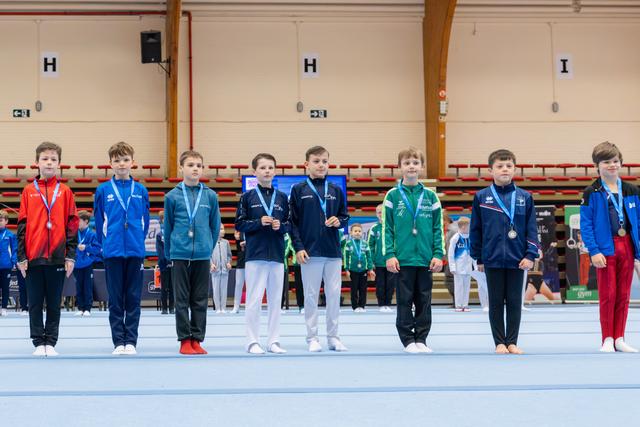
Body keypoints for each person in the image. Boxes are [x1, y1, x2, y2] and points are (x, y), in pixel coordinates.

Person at [470, 149, 538, 355]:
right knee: (496, 302)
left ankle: (512, 342)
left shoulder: (525, 197)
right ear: (491, 170)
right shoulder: (482, 197)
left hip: (518, 259)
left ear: (515, 169)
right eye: (500, 166)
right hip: (492, 258)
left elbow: (531, 228)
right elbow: (476, 228)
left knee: (515, 302)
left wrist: (530, 255)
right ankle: (499, 342)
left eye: (509, 166)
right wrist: (479, 257)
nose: (505, 169)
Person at [17, 141, 78, 356]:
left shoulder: (66, 192)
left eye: (53, 159)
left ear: (59, 163)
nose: (49, 162)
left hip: (57, 256)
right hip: (33, 256)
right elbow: (22, 225)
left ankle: (50, 341)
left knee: (53, 302)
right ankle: (37, 341)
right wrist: (21, 256)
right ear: (37, 163)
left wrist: (70, 256)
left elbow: (72, 225)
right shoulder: (27, 191)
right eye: (45, 159)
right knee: (34, 303)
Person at [580, 141, 640, 353]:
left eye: (615, 161)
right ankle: (607, 338)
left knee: (623, 295)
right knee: (608, 294)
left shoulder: (633, 190)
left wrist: (639, 255)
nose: (612, 165)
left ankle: (619, 338)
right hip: (605, 247)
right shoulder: (592, 191)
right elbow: (586, 224)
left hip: (628, 246)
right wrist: (594, 250)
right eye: (606, 162)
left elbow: (639, 223)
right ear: (597, 165)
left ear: (621, 163)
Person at [383, 147, 444, 354]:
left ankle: (422, 339)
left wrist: (438, 254)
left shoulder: (431, 196)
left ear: (422, 167)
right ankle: (408, 339)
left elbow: (438, 228)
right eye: (407, 162)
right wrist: (389, 255)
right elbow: (387, 229)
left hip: (426, 259)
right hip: (403, 259)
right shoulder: (392, 196)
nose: (411, 166)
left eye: (415, 162)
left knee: (424, 301)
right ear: (399, 167)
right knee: (404, 301)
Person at [290, 145, 350, 352]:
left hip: (333, 252)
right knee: (310, 295)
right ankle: (312, 337)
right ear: (306, 164)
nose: (321, 165)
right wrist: (298, 247)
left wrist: (339, 221)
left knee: (334, 295)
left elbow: (345, 217)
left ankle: (333, 337)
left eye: (324, 161)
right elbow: (293, 222)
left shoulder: (335, 189)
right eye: (316, 161)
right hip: (310, 252)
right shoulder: (298, 190)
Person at [94, 141, 150, 355]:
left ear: (132, 162)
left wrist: (137, 240)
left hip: (135, 251)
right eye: (117, 161)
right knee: (116, 298)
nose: (121, 164)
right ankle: (119, 341)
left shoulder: (141, 190)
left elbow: (144, 222)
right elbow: (99, 223)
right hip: (113, 251)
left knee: (133, 298)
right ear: (110, 164)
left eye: (125, 160)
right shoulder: (103, 190)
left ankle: (131, 342)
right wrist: (106, 244)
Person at [164, 150, 220, 355]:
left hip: (202, 255)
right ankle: (184, 340)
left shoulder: (210, 196)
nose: (195, 168)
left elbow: (215, 226)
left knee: (200, 299)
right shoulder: (172, 196)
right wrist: (172, 251)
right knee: (181, 299)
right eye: (190, 165)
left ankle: (197, 339)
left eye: (199, 165)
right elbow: (167, 227)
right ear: (181, 168)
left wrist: (207, 247)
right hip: (179, 254)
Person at [235, 153, 290, 354]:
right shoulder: (247, 197)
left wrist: (280, 226)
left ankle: (274, 340)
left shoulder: (283, 198)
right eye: (263, 168)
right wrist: (259, 223)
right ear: (254, 172)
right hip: (255, 255)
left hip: (276, 255)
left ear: (275, 171)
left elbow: (290, 225)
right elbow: (239, 224)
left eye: (270, 167)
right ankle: (252, 341)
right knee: (254, 299)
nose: (267, 171)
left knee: (276, 301)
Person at [368, 204, 397, 312]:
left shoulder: (393, 227)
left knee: (390, 284)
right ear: (376, 214)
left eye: (383, 212)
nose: (381, 214)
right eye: (379, 212)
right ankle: (381, 304)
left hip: (391, 262)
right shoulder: (374, 228)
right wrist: (371, 261)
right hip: (379, 262)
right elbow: (369, 246)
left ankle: (388, 304)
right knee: (380, 284)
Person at [73, 210, 101, 316]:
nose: (77, 223)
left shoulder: (92, 235)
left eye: (79, 221)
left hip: (88, 263)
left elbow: (98, 249)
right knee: (78, 285)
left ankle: (87, 308)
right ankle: (80, 307)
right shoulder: (74, 234)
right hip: (77, 263)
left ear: (86, 222)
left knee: (87, 286)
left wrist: (86, 247)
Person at [344, 223, 374, 312]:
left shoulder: (365, 244)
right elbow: (345, 257)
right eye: (355, 231)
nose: (357, 233)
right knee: (354, 289)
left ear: (362, 233)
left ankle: (362, 306)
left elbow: (369, 257)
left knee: (363, 289)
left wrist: (370, 269)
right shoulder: (348, 244)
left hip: (363, 270)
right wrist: (346, 269)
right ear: (351, 233)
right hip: (353, 270)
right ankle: (355, 306)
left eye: (359, 231)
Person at [448, 216, 472, 312]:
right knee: (459, 287)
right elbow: (450, 253)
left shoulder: (470, 237)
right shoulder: (455, 238)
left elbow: (472, 252)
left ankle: (465, 305)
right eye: (469, 226)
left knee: (467, 286)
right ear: (463, 227)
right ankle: (458, 305)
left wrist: (474, 264)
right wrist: (452, 267)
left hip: (468, 266)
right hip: (458, 266)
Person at [156, 210, 174, 314]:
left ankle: (172, 307)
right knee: (164, 287)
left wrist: (172, 259)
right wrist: (166, 260)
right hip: (163, 263)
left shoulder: (172, 233)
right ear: (161, 220)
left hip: (173, 263)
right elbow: (159, 250)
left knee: (172, 286)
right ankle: (164, 308)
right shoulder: (159, 235)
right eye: (164, 219)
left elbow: (175, 247)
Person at [0, 209, 18, 317]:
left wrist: (14, 262)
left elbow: (14, 250)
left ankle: (4, 308)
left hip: (6, 265)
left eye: (1, 220)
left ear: (6, 221)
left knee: (5, 288)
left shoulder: (10, 235)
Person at [211, 224, 232, 313]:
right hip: (215, 270)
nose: (223, 231)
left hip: (224, 270)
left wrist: (228, 262)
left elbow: (229, 255)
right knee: (216, 289)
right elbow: (208, 256)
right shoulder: (211, 242)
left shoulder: (226, 242)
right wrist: (211, 264)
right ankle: (218, 307)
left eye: (223, 229)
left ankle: (223, 308)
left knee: (224, 289)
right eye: (221, 229)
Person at [230, 230, 246, 314]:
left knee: (251, 285)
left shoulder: (253, 229)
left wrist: (247, 243)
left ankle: (251, 306)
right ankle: (236, 306)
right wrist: (237, 239)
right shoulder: (240, 231)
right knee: (239, 284)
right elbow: (238, 247)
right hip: (241, 260)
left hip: (252, 260)